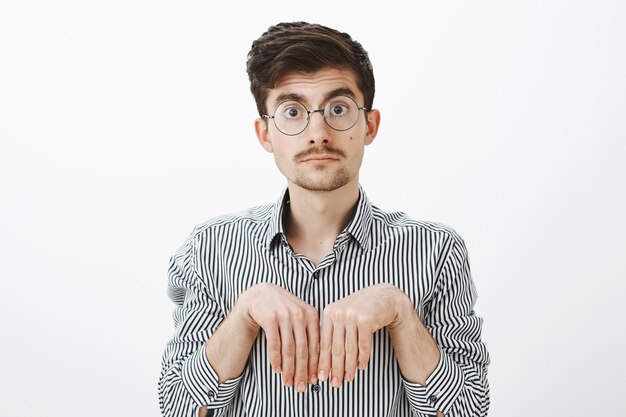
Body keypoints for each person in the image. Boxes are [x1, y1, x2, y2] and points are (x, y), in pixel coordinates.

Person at [158, 21, 490, 417]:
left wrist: (401, 314)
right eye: (292, 111)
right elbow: (176, 408)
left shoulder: (436, 252)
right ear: (265, 134)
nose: (318, 132)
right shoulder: (209, 251)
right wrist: (242, 317)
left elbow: (470, 410)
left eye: (338, 108)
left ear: (370, 125)